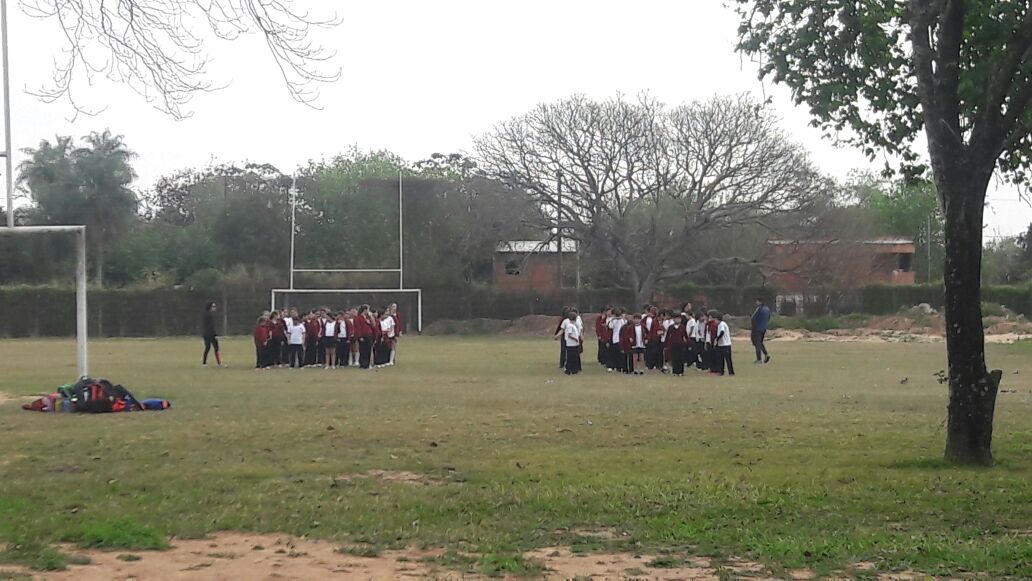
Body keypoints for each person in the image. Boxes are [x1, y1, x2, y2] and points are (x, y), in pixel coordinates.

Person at [751, 297, 772, 364]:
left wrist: (753, 327)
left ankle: (759, 359)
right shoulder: (767, 309)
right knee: (760, 342)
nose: (756, 302)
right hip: (763, 328)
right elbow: (768, 317)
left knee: (757, 344)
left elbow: (753, 318)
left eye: (757, 301)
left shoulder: (759, 309)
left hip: (757, 329)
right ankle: (766, 354)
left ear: (760, 302)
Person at [201, 302, 222, 367]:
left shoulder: (205, 315)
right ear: (210, 307)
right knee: (216, 348)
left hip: (206, 334)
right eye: (213, 306)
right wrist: (215, 335)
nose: (214, 308)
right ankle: (219, 363)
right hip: (210, 334)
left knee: (207, 348)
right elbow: (211, 327)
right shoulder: (209, 316)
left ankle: (204, 363)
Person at [562, 311, 582, 375]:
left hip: (574, 344)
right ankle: (569, 370)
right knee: (571, 358)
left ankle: (574, 370)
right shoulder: (570, 326)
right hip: (571, 345)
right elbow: (569, 334)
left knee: (574, 357)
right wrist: (575, 339)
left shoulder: (573, 325)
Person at [607, 308, 627, 372]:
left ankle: (621, 366)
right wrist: (613, 319)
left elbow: (625, 325)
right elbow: (610, 327)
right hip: (615, 339)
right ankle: (614, 366)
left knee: (621, 354)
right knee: (614, 353)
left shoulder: (622, 320)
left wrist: (622, 319)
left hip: (621, 339)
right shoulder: (613, 320)